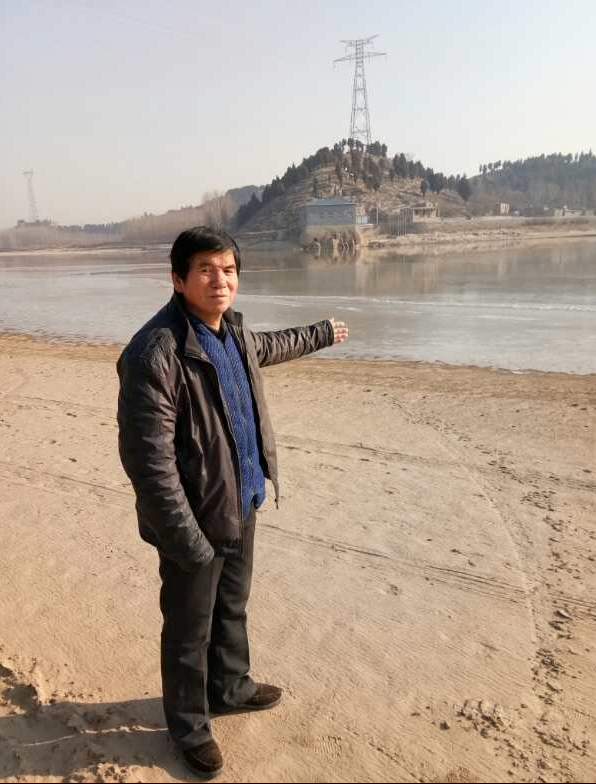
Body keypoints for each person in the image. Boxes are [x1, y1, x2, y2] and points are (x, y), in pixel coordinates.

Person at [116, 226, 348, 779]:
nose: (220, 281)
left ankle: (231, 687)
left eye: (228, 270)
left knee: (232, 608)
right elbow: (149, 465)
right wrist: (187, 541)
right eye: (205, 270)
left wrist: (321, 333)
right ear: (178, 279)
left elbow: (272, 347)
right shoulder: (155, 353)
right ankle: (189, 727)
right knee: (188, 630)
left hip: (241, 501)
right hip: (193, 521)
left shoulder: (233, 333)